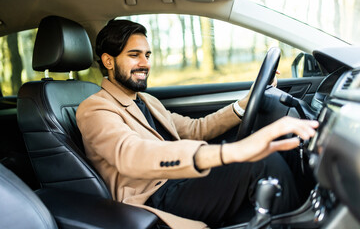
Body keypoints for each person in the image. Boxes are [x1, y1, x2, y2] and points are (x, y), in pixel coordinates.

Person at [76, 19, 318, 229]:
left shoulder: (146, 100)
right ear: (108, 61)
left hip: (181, 180)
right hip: (154, 197)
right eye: (134, 55)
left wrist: (246, 102)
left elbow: (195, 129)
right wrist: (231, 151)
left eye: (147, 55)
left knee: (280, 148)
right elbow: (131, 154)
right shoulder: (95, 108)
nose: (145, 63)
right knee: (262, 161)